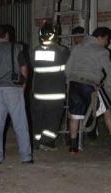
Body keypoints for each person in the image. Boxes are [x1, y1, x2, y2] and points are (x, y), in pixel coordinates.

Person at [65, 26, 111, 154]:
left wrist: (69, 84)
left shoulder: (77, 48)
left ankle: (73, 147)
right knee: (107, 110)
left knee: (75, 115)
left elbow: (68, 69)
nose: (108, 43)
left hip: (74, 84)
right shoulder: (101, 51)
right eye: (107, 39)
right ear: (100, 37)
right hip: (90, 86)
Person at [0, 24, 32, 164]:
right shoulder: (16, 48)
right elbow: (24, 70)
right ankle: (26, 157)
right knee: (20, 124)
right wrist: (23, 87)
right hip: (14, 90)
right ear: (7, 35)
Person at [32, 22, 69, 150]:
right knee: (53, 118)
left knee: (38, 117)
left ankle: (36, 141)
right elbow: (68, 69)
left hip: (39, 92)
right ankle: (47, 142)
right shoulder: (62, 51)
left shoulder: (35, 50)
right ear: (55, 35)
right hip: (55, 92)